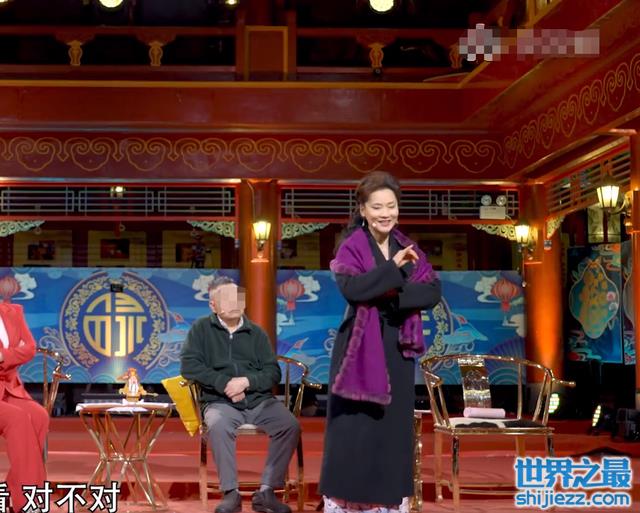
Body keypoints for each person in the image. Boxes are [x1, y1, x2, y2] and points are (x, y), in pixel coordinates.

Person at [319, 171, 442, 513]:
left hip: (397, 348)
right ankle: (346, 501)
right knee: (355, 426)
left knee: (392, 428)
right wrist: (395, 270)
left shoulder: (407, 246)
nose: (385, 213)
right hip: (359, 349)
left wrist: (389, 295)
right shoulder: (352, 247)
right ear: (362, 209)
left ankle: (387, 502)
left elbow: (432, 291)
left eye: (391, 206)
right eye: (377, 207)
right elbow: (353, 290)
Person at [180, 276, 300, 513]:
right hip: (220, 401)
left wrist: (246, 382)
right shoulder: (201, 329)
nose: (234, 303)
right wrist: (225, 384)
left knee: (290, 425)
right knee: (217, 424)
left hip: (259, 400)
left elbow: (272, 372)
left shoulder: (256, 333)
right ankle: (230, 493)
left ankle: (266, 491)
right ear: (213, 305)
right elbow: (189, 367)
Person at [0, 301, 49, 513]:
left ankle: (14, 490)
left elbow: (29, 349)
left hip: (8, 387)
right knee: (17, 418)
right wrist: (14, 352)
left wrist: (4, 356)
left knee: (39, 416)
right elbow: (21, 350)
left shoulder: (13, 311)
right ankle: (27, 502)